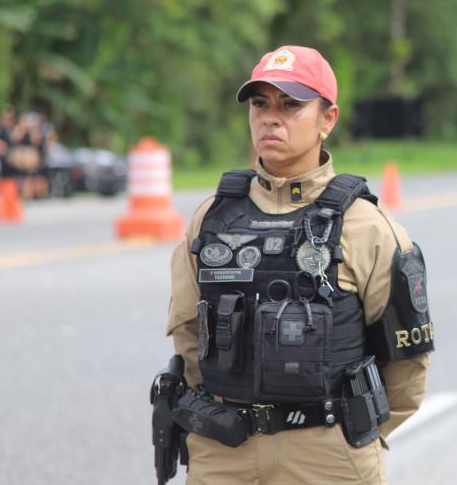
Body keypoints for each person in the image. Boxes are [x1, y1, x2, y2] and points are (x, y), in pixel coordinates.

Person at [158, 45, 433, 485]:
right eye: (260, 104)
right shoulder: (210, 219)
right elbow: (189, 336)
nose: (271, 118)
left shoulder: (367, 226)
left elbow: (407, 367)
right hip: (223, 452)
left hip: (328, 456)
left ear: (328, 119)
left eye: (290, 105)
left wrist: (347, 439)